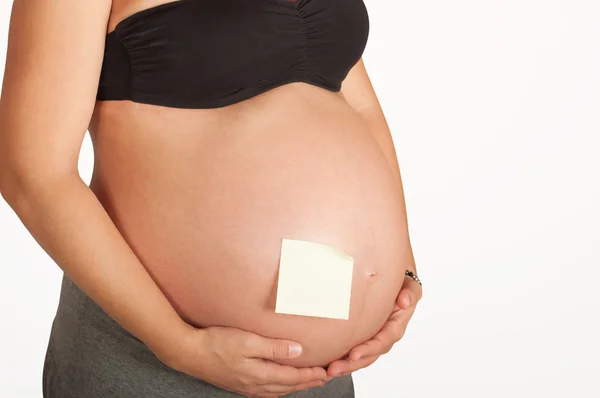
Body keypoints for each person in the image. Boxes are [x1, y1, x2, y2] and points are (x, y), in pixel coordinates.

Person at [0, 0, 423, 397]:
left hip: (323, 377)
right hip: (157, 364)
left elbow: (359, 104)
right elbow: (33, 173)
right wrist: (177, 344)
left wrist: (400, 269)